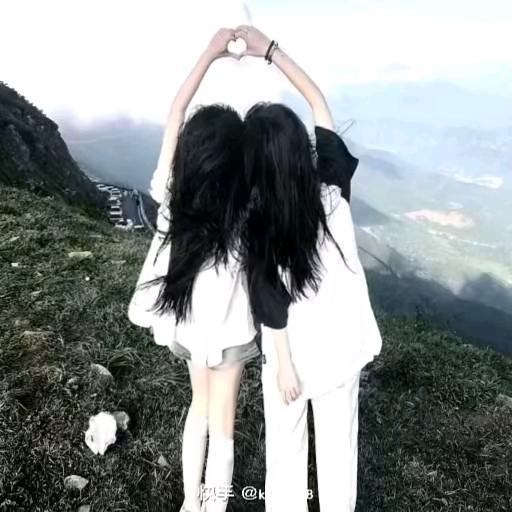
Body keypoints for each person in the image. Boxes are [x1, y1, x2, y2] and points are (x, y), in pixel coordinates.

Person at [235, 26, 383, 512]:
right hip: (340, 350)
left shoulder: (258, 221)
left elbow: (269, 302)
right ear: (302, 150)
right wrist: (270, 51)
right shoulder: (333, 192)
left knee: (285, 455)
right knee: (339, 451)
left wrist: (284, 366)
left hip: (292, 359)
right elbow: (318, 103)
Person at [127, 29, 256, 512]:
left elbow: (175, 114)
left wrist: (210, 52)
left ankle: (189, 502)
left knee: (198, 410)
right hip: (232, 333)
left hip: (187, 326)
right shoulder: (246, 206)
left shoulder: (173, 193)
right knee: (224, 428)